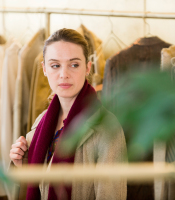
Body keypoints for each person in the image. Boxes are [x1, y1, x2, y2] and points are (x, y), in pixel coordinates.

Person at [9, 28, 127, 200]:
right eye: (55, 65)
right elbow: (40, 185)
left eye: (74, 64)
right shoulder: (42, 121)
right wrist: (22, 163)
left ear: (88, 67)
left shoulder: (107, 128)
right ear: (44, 69)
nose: (64, 74)